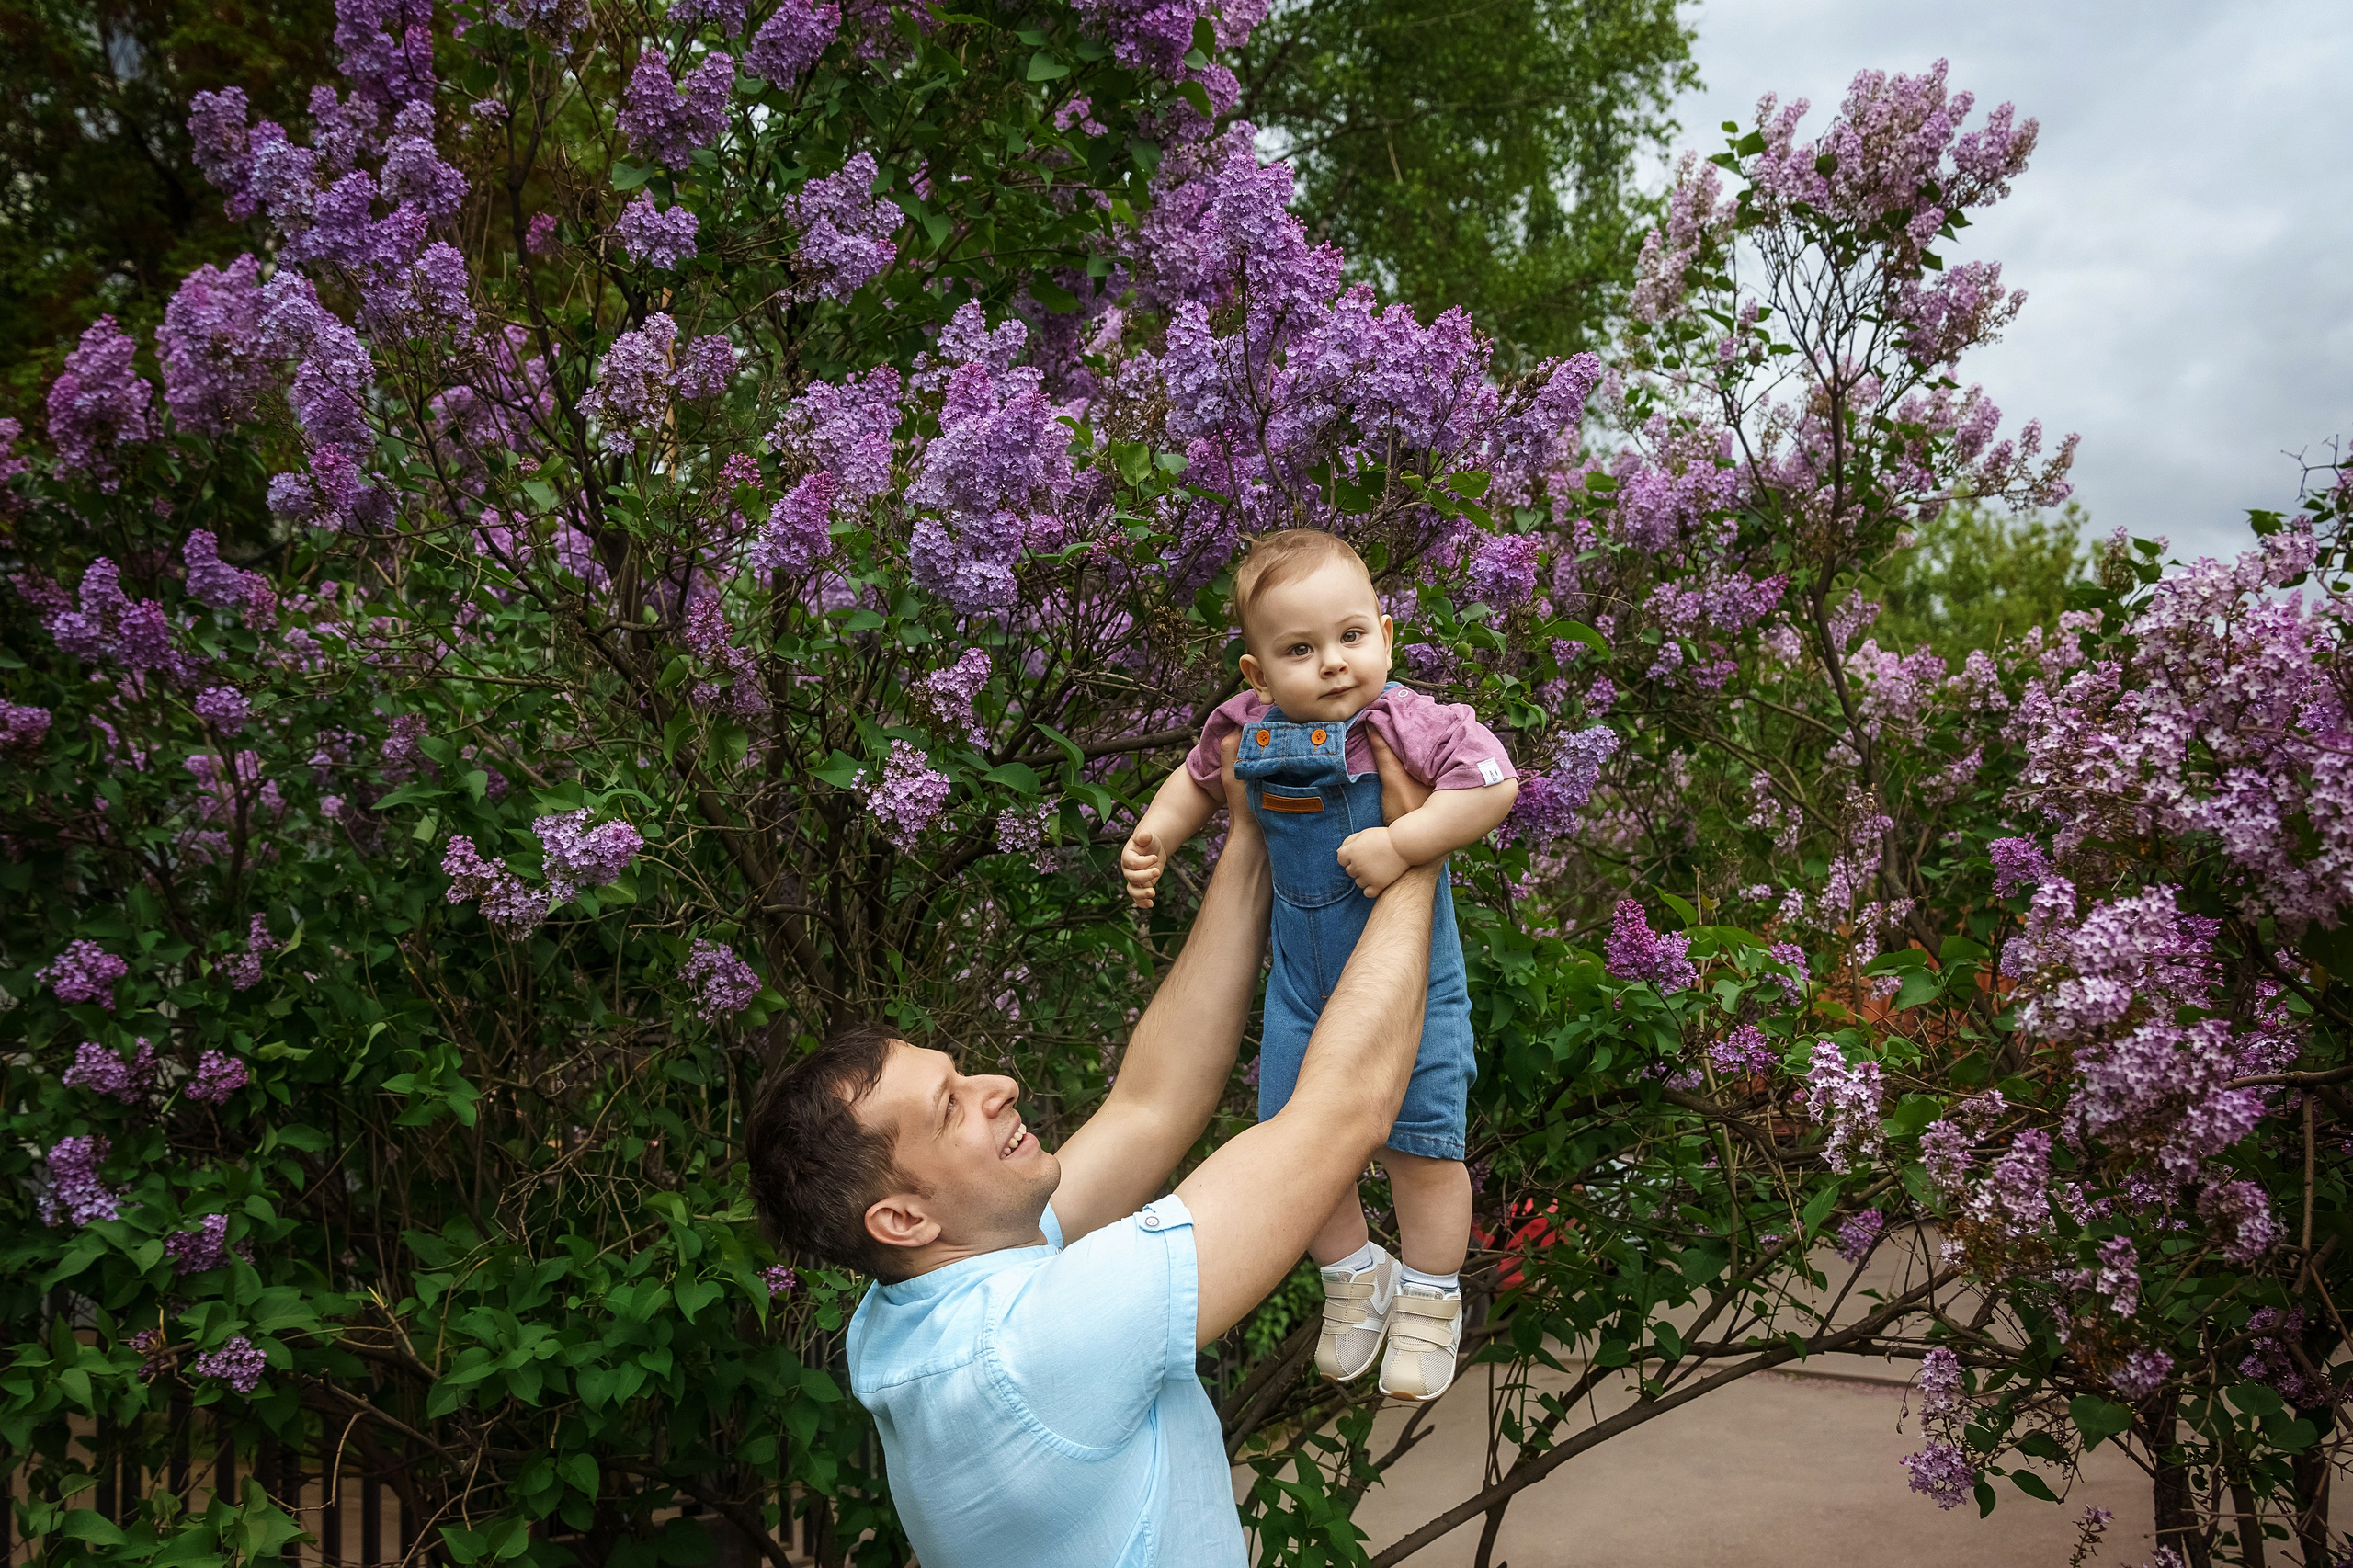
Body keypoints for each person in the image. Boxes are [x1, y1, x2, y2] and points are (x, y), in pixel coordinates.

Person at [744, 736, 1446, 1568]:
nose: (997, 1084)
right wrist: (1419, 853)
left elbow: (1152, 1104)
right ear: (900, 1216)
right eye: (951, 1106)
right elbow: (1342, 1112)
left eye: (962, 1073)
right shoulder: (1032, 1352)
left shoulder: (914, 1310)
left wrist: (1250, 833)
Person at [1120, 528, 1518, 1401]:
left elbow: (1494, 783)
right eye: (1300, 650)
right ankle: (1353, 1278)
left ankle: (1429, 1296)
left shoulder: (1406, 721)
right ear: (1256, 674)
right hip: (1301, 986)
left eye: (1351, 637)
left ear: (1385, 632)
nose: (1334, 664)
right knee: (1291, 1150)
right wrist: (1156, 835)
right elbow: (1196, 781)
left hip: (1411, 987)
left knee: (1421, 1151)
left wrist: (1405, 842)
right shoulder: (1246, 728)